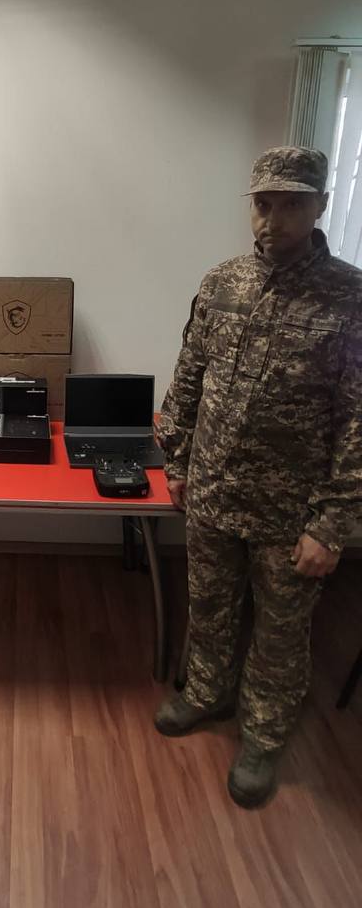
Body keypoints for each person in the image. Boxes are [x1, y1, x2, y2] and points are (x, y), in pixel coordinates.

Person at [155, 147, 362, 808]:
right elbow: (189, 377)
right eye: (264, 204)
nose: (274, 219)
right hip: (214, 491)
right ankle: (206, 693)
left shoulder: (351, 297)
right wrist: (177, 462)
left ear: (320, 206)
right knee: (210, 607)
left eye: (292, 204)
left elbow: (358, 424)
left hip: (291, 511)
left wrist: (331, 525)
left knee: (280, 632)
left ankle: (264, 737)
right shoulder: (223, 283)